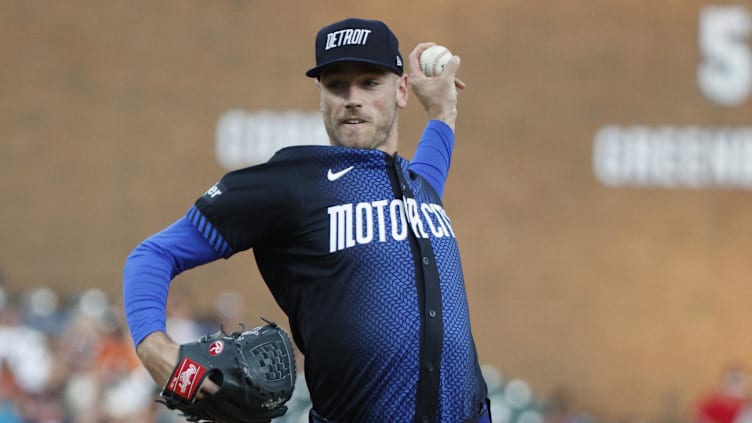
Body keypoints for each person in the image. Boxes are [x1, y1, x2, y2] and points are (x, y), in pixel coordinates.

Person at [123, 17, 490, 422]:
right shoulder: (293, 182)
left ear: (401, 91)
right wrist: (152, 346)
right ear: (321, 96)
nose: (352, 98)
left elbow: (430, 175)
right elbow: (153, 254)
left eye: (370, 83)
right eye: (336, 85)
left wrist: (442, 111)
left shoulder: (418, 189)